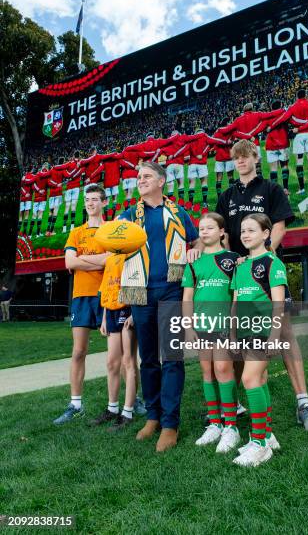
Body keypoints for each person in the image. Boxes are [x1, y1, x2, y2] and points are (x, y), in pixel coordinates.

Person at [216, 140, 308, 432]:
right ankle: (239, 403)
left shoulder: (271, 189)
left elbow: (279, 226)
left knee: (285, 333)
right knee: (237, 336)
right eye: (235, 158)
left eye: (245, 157)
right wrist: (231, 259)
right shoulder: (226, 195)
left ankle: (304, 403)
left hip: (263, 271)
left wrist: (261, 257)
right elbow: (224, 235)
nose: (240, 162)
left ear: (255, 158)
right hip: (237, 276)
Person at [118, 162, 200, 452]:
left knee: (172, 359)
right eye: (138, 177)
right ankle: (152, 417)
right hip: (140, 293)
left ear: (162, 181)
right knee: (149, 359)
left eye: (147, 176)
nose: (140, 181)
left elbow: (196, 239)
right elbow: (114, 246)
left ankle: (170, 424)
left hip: (172, 290)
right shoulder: (128, 215)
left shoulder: (178, 213)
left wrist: (196, 248)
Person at [182, 212, 242, 453]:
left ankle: (231, 427)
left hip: (224, 324)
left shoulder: (233, 259)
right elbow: (187, 297)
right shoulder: (194, 263)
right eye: (201, 228)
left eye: (209, 228)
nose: (204, 231)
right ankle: (215, 424)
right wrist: (188, 328)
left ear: (221, 232)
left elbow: (237, 294)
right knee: (207, 371)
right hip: (201, 325)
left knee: (223, 369)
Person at [231, 213, 287, 467]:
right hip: (244, 331)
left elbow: (278, 305)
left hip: (263, 330)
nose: (245, 235)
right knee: (260, 379)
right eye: (242, 230)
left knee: (249, 379)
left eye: (251, 230)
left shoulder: (273, 263)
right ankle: (267, 434)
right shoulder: (241, 266)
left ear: (266, 234)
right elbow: (236, 302)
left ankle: (261, 444)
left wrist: (275, 336)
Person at [53, 184, 109, 425]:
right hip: (81, 296)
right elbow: (69, 262)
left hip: (107, 294)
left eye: (95, 199)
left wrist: (81, 259)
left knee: (121, 353)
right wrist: (95, 261)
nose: (90, 203)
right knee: (78, 351)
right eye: (87, 199)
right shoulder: (76, 232)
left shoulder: (111, 230)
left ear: (104, 202)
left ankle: (130, 399)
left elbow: (111, 260)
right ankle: (75, 404)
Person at [88, 252, 145, 429]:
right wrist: (104, 318)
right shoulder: (110, 258)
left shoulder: (135, 256)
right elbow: (107, 289)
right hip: (111, 312)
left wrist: (135, 314)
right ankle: (112, 408)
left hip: (128, 309)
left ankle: (127, 411)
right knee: (112, 362)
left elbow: (140, 285)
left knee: (128, 361)